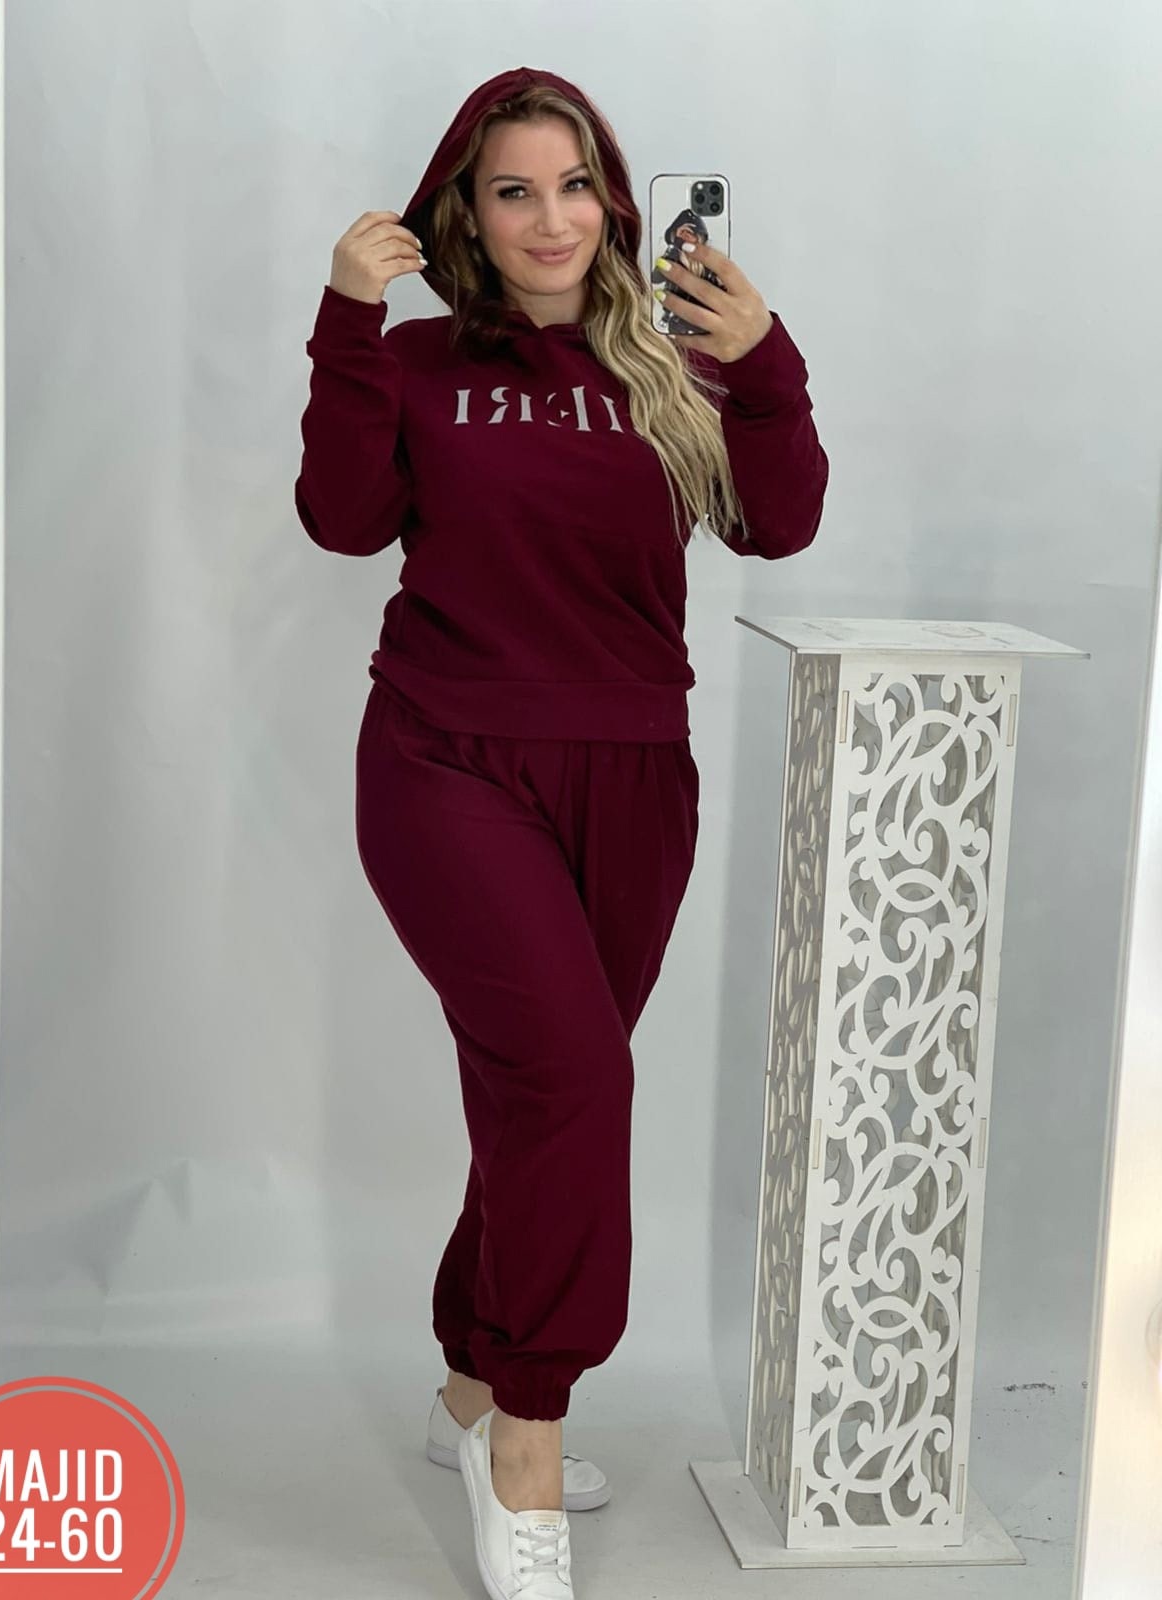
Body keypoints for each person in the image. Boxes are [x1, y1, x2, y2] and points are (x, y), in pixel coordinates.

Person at [295, 64, 828, 1600]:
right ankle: (526, 1437)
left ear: (615, 201)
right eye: (513, 189)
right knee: (577, 1081)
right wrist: (343, 321)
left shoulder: (670, 365)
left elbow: (778, 522)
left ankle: (472, 1381)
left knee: (549, 1096)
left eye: (577, 185)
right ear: (465, 210)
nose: (551, 218)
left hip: (635, 775)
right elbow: (342, 518)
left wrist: (765, 359)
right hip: (446, 762)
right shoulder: (414, 362)